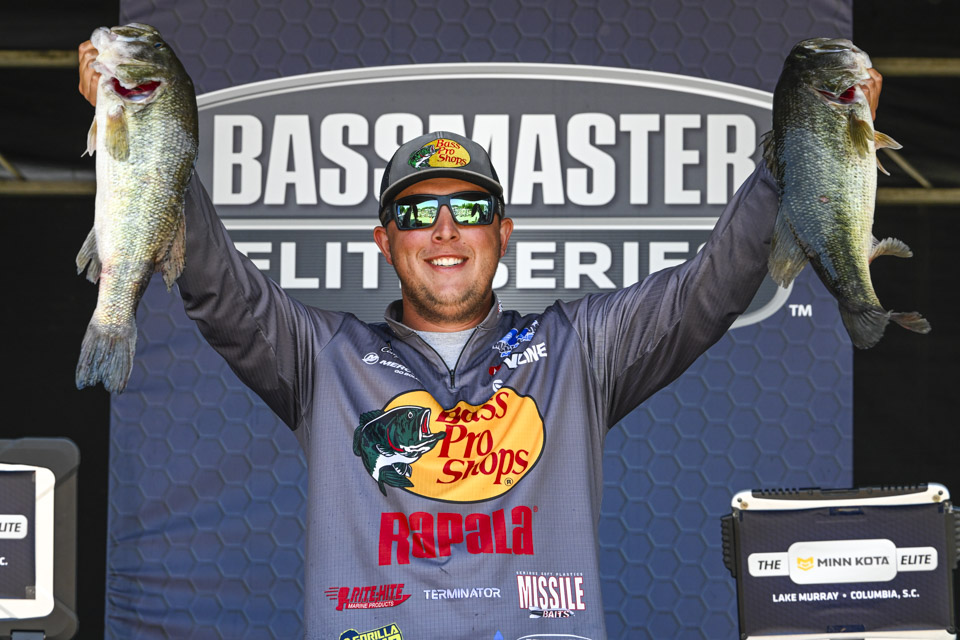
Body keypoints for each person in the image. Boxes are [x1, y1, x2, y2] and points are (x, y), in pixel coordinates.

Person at [79, 40, 882, 640]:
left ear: (503, 233)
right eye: (415, 211)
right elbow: (216, 282)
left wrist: (803, 142)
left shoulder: (580, 351)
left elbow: (711, 288)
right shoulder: (321, 359)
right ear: (384, 241)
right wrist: (145, 126)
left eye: (468, 209)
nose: (443, 230)